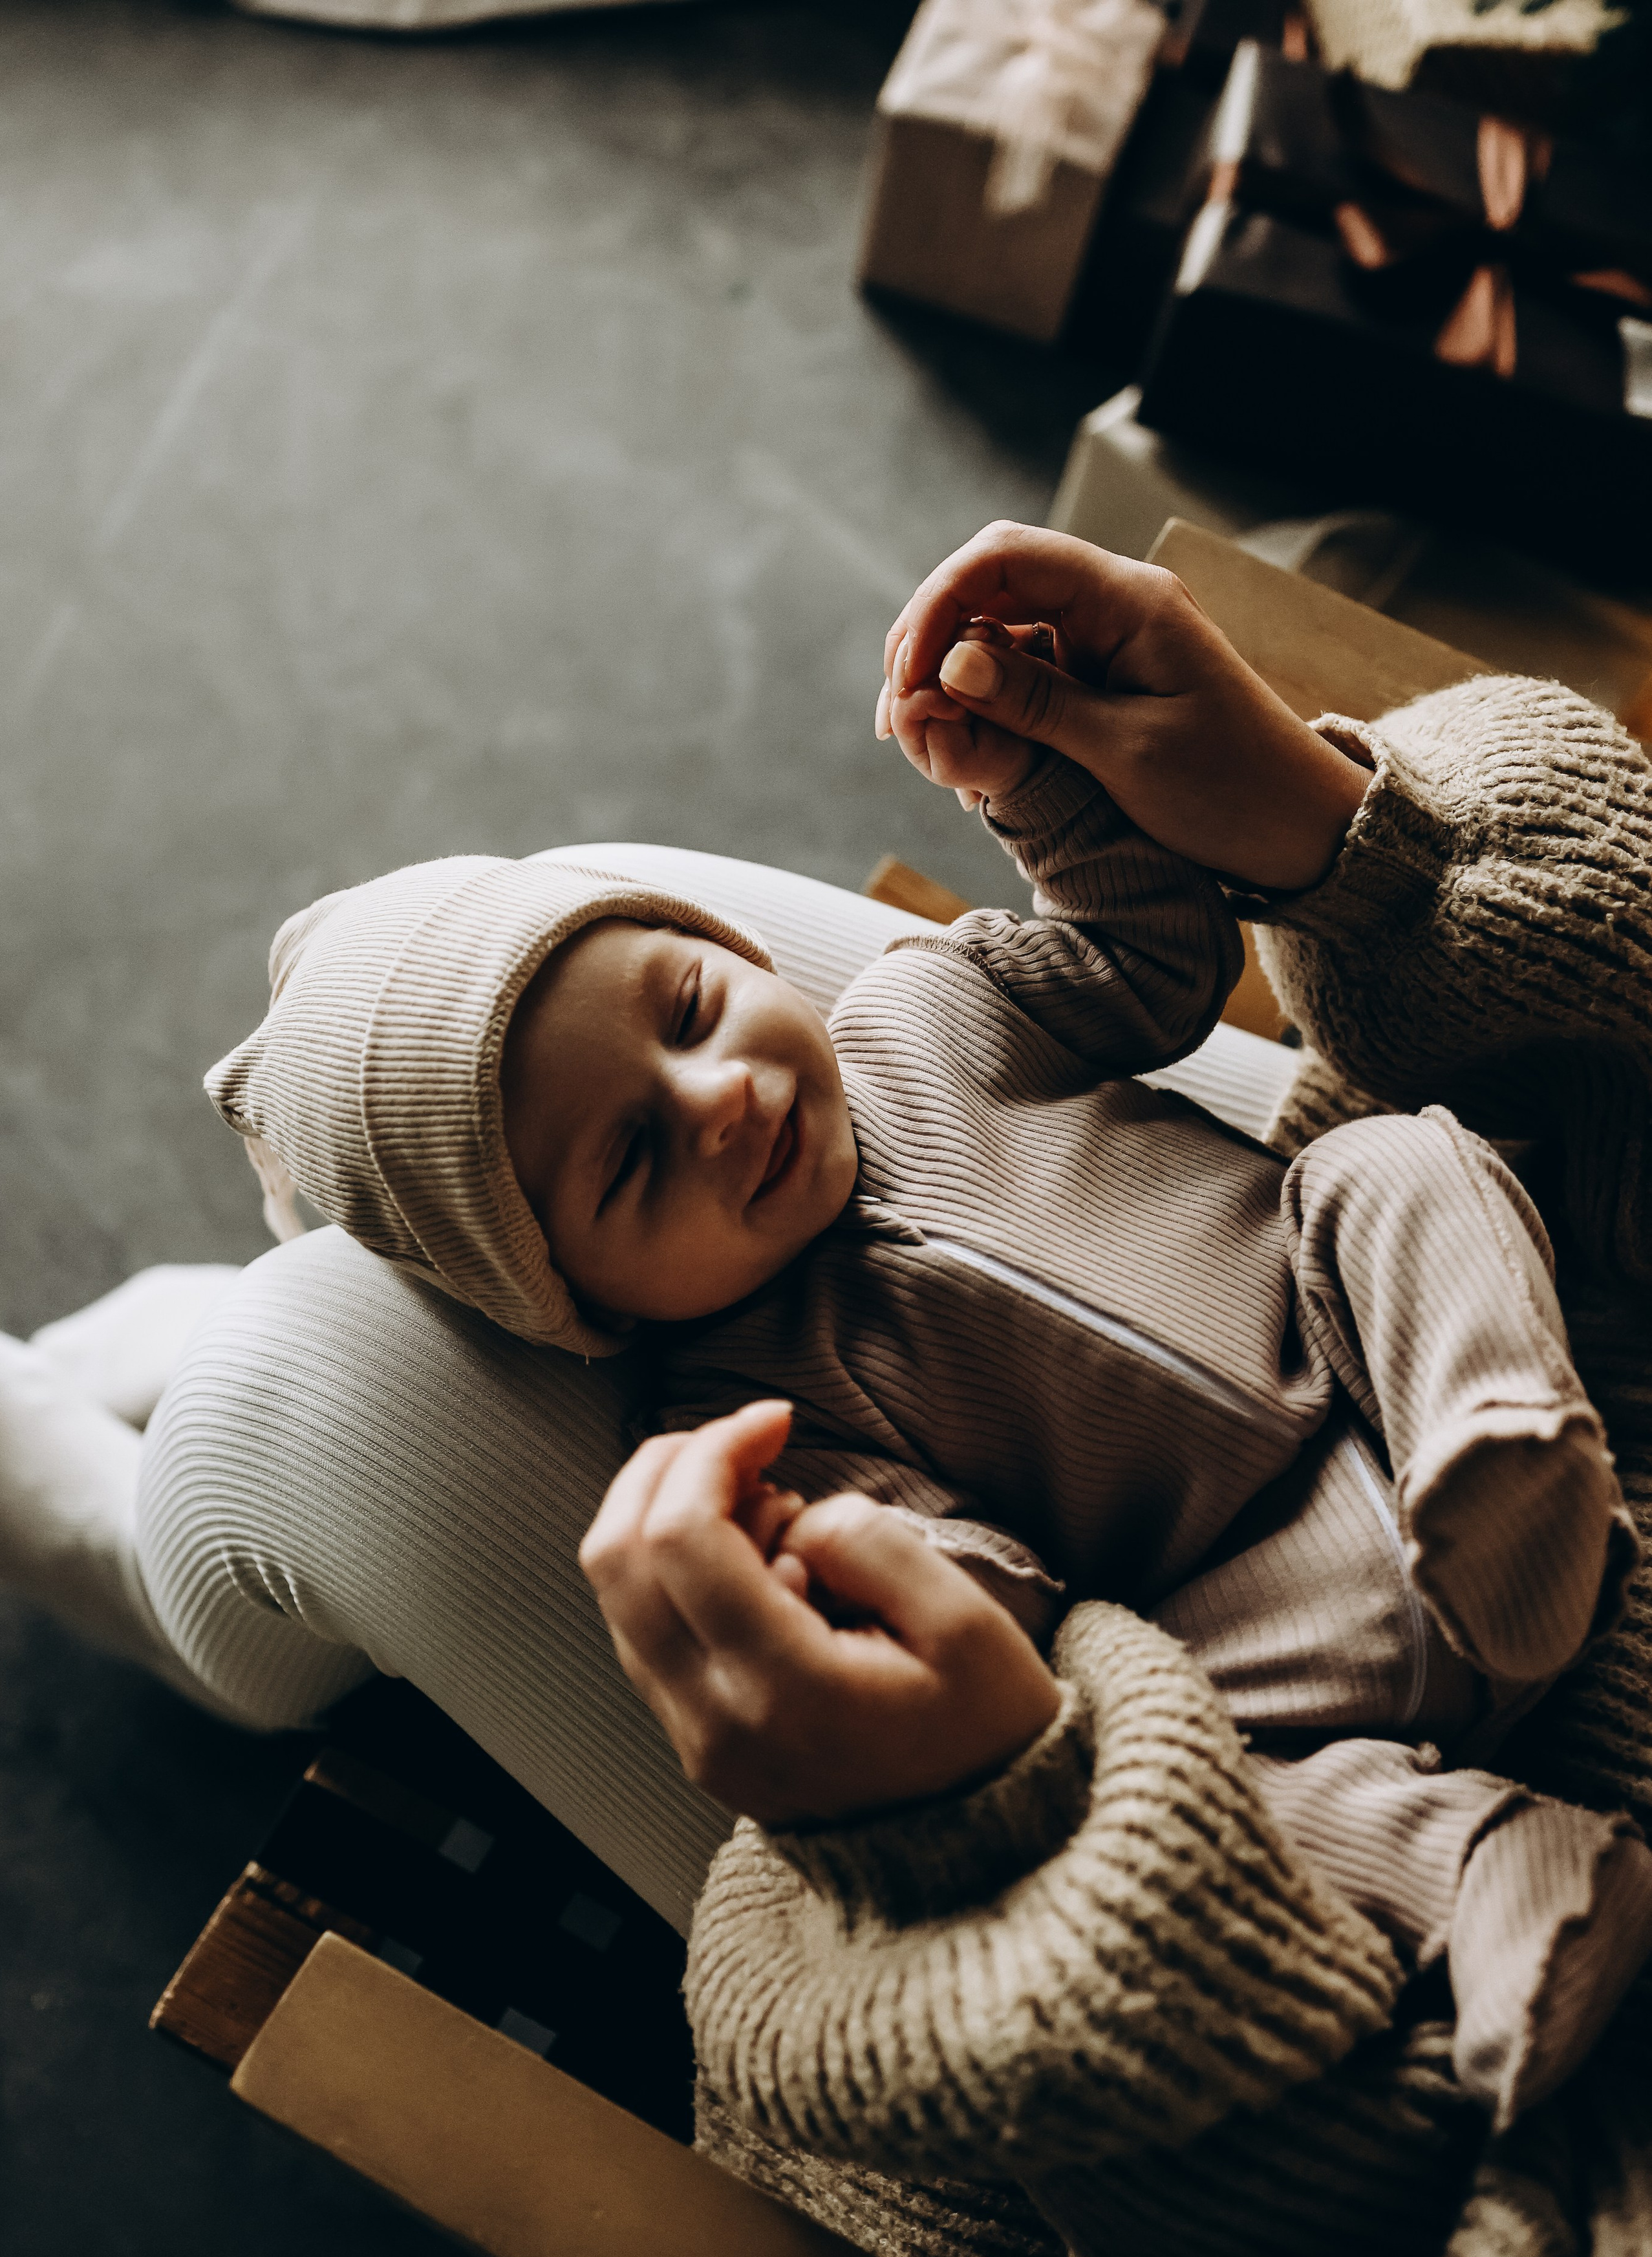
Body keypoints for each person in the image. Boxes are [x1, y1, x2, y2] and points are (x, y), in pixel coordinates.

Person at [176, 524, 1647, 2130]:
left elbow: (1143, 961)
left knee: (1397, 1166)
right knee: (1184, 1761)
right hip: (1262, 1610)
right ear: (576, 1309)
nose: (720, 1098)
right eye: (632, 1160)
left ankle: (1501, 1448)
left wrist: (1042, 795)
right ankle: (1497, 1879)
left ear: (734, 952)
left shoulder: (919, 1007)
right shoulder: (735, 1415)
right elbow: (974, 1600)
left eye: (690, 1010)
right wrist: (902, 1586)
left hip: (1358, 1328)